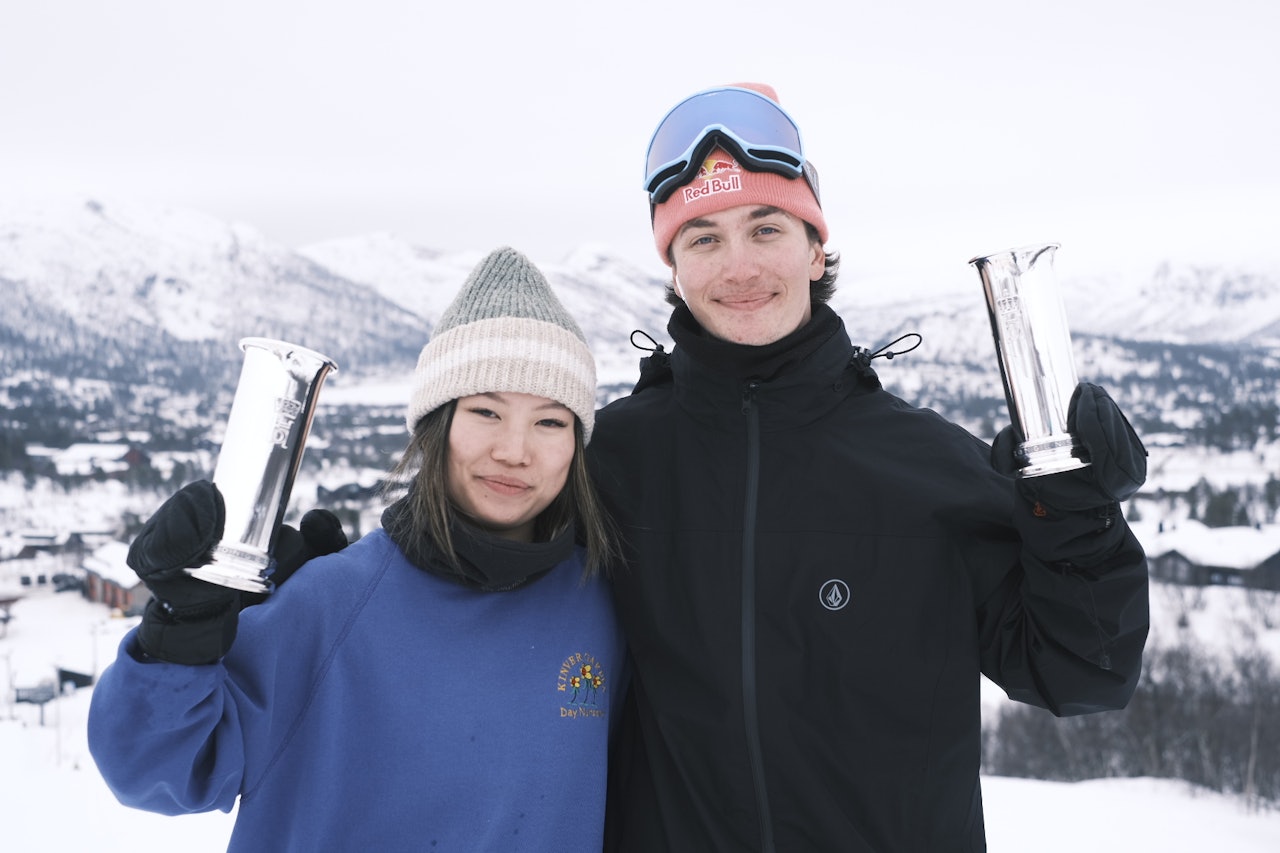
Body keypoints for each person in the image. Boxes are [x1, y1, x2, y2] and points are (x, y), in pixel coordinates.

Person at [588, 83, 1150, 851]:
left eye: (765, 227)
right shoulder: (610, 461)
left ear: (816, 248)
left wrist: (1076, 518)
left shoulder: (926, 466)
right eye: (704, 238)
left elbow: (1084, 673)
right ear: (674, 268)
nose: (740, 264)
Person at [89, 247, 627, 852]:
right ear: (435, 425)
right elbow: (154, 773)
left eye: (551, 422)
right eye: (486, 411)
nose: (514, 449)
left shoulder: (604, 603)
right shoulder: (332, 600)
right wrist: (178, 635)